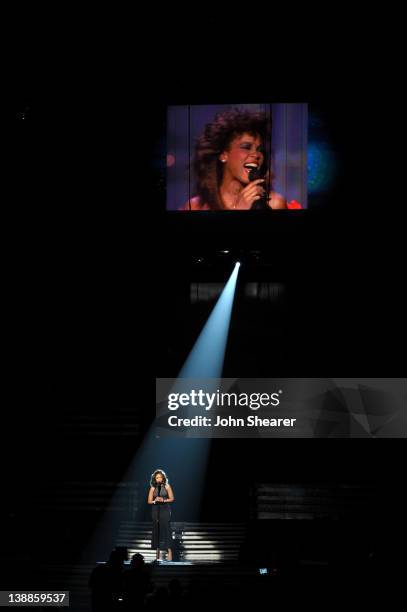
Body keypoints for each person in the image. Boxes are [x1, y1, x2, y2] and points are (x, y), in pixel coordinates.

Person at [180, 108, 302, 211]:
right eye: (246, 147)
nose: (256, 154)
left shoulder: (273, 204)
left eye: (260, 149)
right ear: (224, 155)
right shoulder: (195, 206)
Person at [147, 469, 175, 561]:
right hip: (156, 509)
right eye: (157, 477)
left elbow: (172, 498)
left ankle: (169, 554)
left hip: (165, 509)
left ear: (163, 478)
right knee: (157, 530)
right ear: (155, 479)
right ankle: (157, 556)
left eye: (160, 477)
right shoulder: (152, 487)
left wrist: (164, 500)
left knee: (166, 529)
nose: (158, 479)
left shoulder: (167, 486)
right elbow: (149, 501)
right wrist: (155, 501)